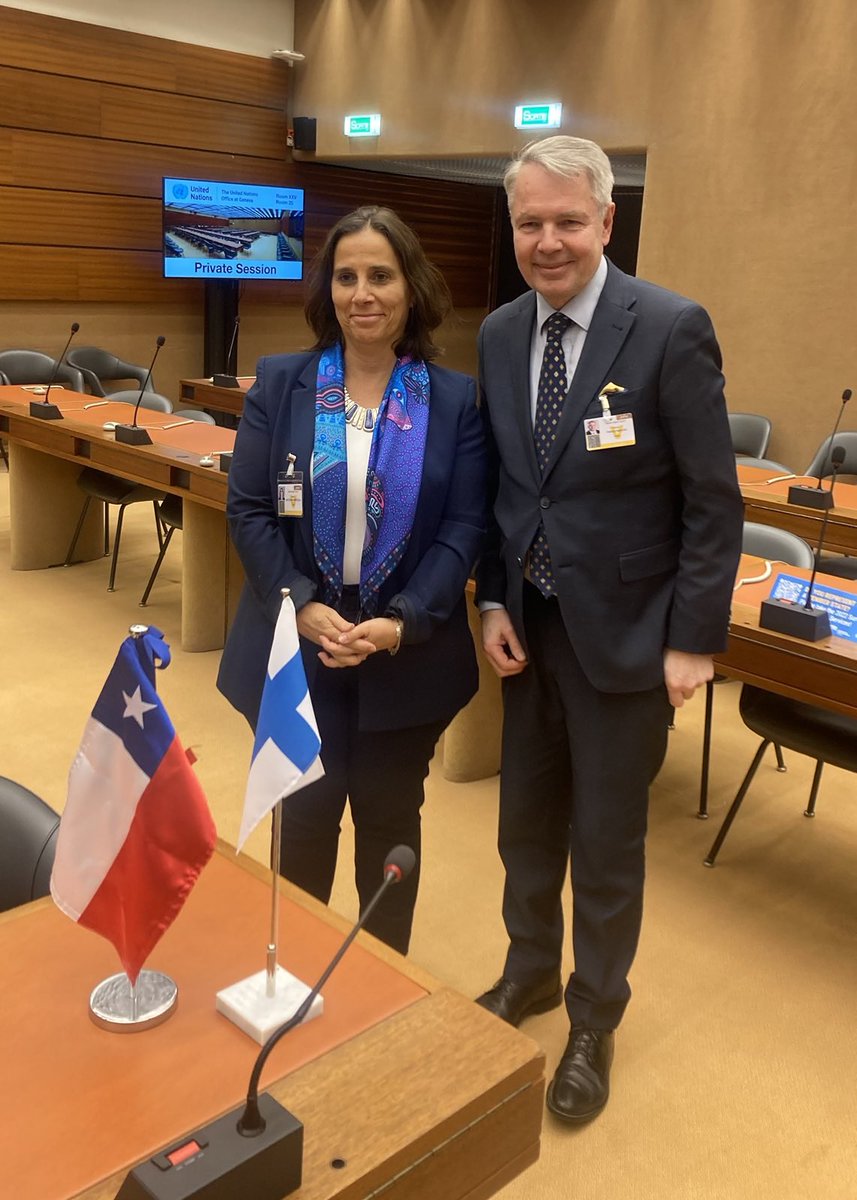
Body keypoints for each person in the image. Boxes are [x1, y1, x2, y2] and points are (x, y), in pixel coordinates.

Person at [474, 136, 743, 1123]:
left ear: (604, 223)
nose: (546, 242)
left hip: (629, 639)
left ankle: (593, 1019)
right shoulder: (500, 332)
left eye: (565, 222)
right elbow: (504, 485)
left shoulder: (669, 327)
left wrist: (691, 639)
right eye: (529, 223)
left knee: (605, 839)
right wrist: (493, 599)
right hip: (529, 629)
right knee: (522, 825)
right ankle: (530, 971)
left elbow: (712, 503)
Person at [217, 205, 486, 954]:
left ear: (411, 287)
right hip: (296, 646)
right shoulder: (283, 383)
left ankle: (379, 989)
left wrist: (403, 620)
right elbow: (248, 511)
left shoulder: (456, 400)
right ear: (326, 289)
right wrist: (299, 604)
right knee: (302, 819)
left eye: (380, 275)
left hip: (404, 647)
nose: (361, 293)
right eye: (345, 277)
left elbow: (464, 528)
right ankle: (293, 971)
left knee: (388, 828)